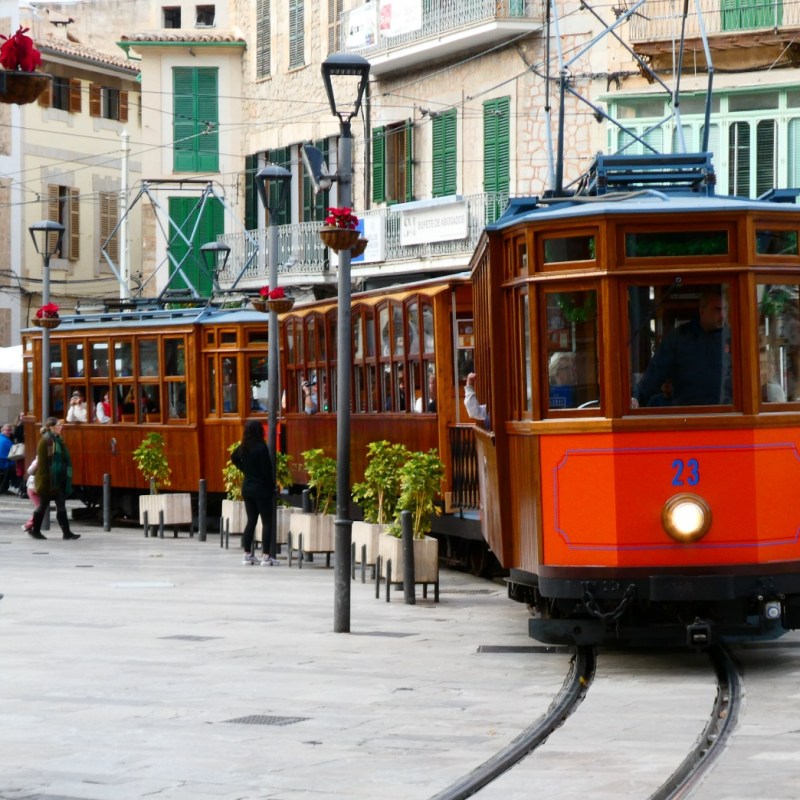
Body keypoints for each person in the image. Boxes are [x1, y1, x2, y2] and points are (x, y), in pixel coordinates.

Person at [635, 288, 732, 407]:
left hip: (727, 415)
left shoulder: (733, 339)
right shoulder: (679, 338)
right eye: (717, 309)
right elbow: (654, 374)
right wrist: (636, 397)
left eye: (725, 309)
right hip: (687, 415)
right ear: (702, 310)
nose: (722, 315)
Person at [231, 419, 277, 566]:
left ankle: (247, 554)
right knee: (267, 522)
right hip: (261, 489)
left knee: (251, 521)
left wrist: (245, 470)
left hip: (248, 488)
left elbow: (233, 457)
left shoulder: (244, 446)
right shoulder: (261, 447)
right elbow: (266, 471)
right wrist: (272, 486)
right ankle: (266, 556)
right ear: (260, 431)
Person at [28, 417, 80, 541]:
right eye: (58, 425)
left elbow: (62, 459)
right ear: (51, 427)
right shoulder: (46, 441)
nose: (61, 427)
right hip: (48, 481)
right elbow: (44, 464)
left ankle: (66, 533)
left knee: (61, 506)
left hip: (58, 480)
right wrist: (51, 481)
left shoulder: (58, 440)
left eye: (61, 425)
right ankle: (35, 530)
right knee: (42, 506)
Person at [21, 456, 39, 533]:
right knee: (39, 507)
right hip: (33, 488)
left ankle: (30, 525)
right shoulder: (36, 462)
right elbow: (30, 471)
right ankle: (28, 525)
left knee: (40, 507)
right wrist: (37, 463)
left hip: (35, 488)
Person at [0, 423, 14, 494]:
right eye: (8, 430)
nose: (9, 432)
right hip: (3, 464)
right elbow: (13, 453)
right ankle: (4, 488)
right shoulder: (7, 441)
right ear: (2, 430)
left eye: (10, 430)